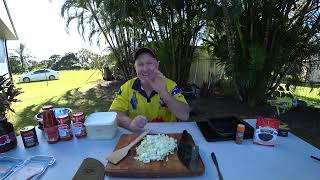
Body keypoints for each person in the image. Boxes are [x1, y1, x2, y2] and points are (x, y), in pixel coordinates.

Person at [109, 48, 191, 131]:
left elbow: (185, 115)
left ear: (157, 65)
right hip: (137, 135)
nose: (145, 69)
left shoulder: (171, 85)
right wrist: (129, 123)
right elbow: (114, 113)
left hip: (167, 137)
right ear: (135, 67)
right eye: (140, 64)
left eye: (149, 63)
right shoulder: (127, 87)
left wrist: (164, 93)